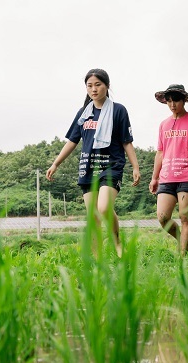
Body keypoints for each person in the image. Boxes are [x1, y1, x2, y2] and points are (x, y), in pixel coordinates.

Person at [46, 68, 140, 257]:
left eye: (98, 84)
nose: (94, 89)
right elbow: (72, 141)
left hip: (111, 165)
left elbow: (126, 141)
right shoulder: (84, 113)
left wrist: (135, 166)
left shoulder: (118, 110)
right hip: (88, 166)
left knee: (104, 208)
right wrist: (56, 163)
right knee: (93, 216)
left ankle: (116, 241)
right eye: (90, 85)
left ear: (107, 86)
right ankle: (97, 258)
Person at [149, 84, 188, 255]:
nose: (172, 104)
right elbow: (160, 152)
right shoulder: (163, 125)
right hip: (167, 176)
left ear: (184, 100)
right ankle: (181, 238)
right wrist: (154, 177)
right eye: (169, 100)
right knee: (162, 217)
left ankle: (183, 257)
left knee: (185, 217)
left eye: (176, 100)